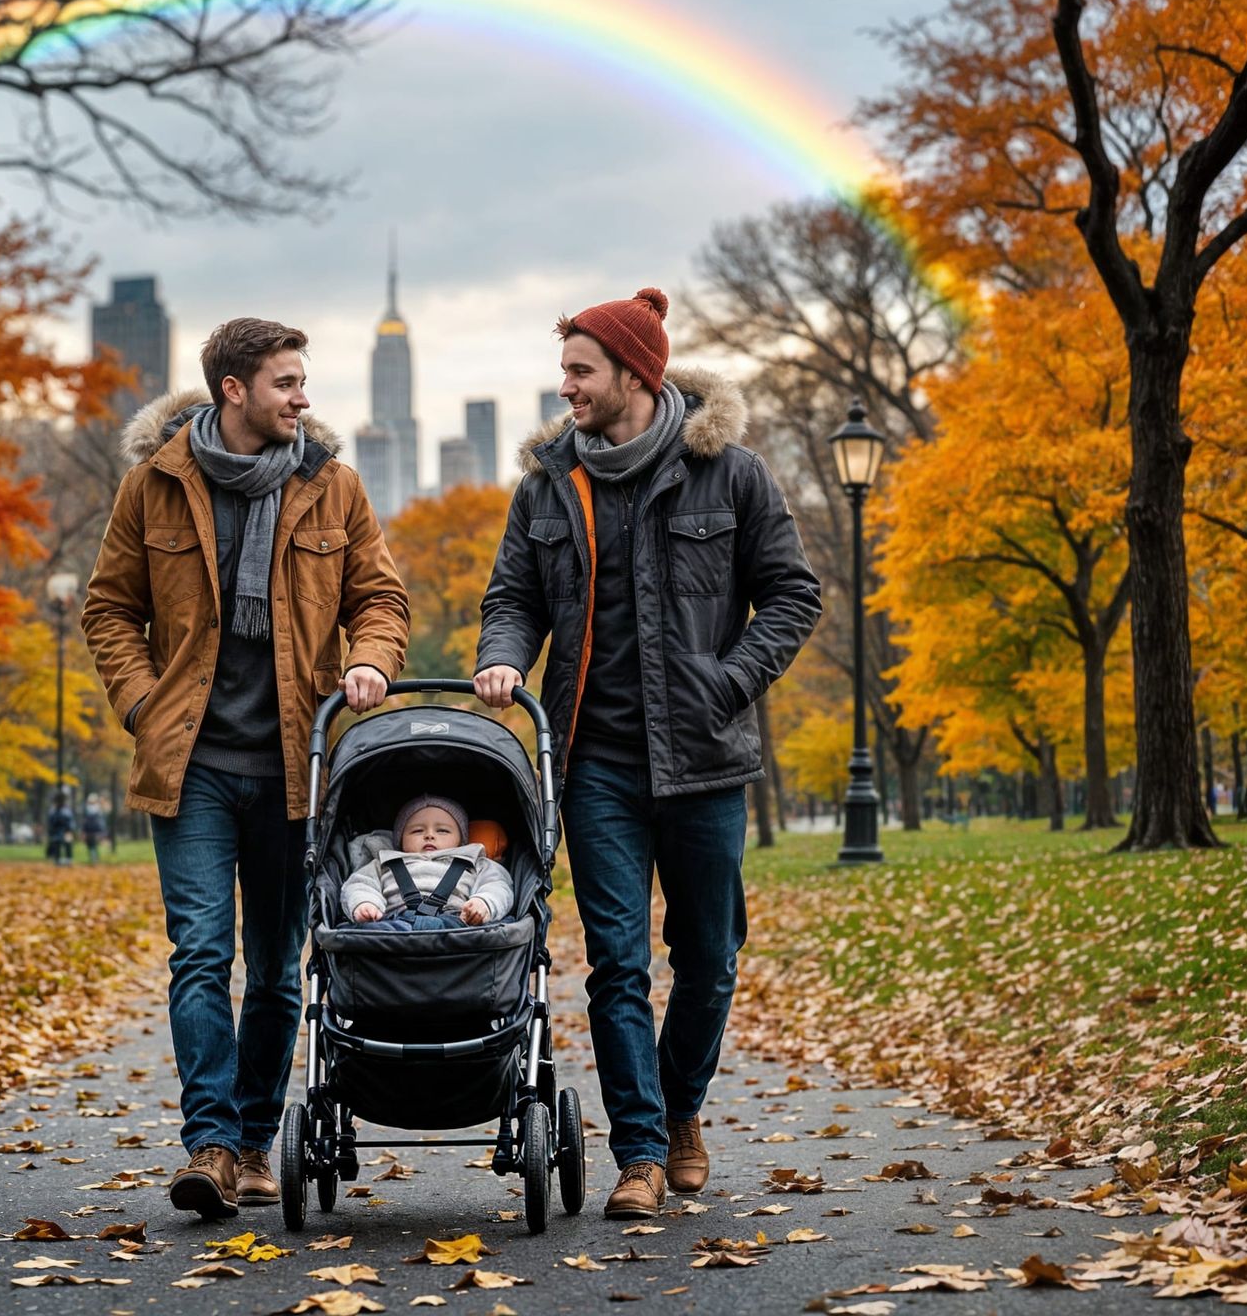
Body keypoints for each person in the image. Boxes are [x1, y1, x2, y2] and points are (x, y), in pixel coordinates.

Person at [474, 288, 821, 1218]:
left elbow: (793, 595)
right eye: (564, 371)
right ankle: (639, 1154)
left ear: (635, 372)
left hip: (704, 757)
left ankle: (679, 1113)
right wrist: (504, 656)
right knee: (617, 964)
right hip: (594, 761)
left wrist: (728, 681)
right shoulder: (548, 483)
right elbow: (512, 598)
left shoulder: (732, 474)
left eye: (581, 371)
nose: (566, 387)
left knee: (709, 956)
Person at [82, 318, 410, 1222]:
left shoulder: (333, 486)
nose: (302, 397)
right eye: (285, 382)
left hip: (296, 768)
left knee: (272, 969)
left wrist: (370, 659)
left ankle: (258, 1141)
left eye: (302, 381)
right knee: (199, 954)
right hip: (190, 765)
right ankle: (212, 1146)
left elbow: (381, 598)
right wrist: (144, 705)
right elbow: (109, 610)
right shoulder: (153, 486)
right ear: (234, 390)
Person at [341, 794, 514, 931]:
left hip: (458, 924)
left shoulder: (474, 861)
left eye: (442, 830)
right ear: (400, 840)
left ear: (460, 840)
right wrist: (365, 903)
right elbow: (359, 884)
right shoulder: (383, 862)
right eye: (417, 831)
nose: (429, 835)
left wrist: (484, 903)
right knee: (366, 931)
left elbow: (497, 885)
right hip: (394, 924)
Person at [46, 792, 74, 865]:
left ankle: (68, 860)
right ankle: (57, 859)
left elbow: (70, 821)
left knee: (67, 845)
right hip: (57, 831)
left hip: (66, 830)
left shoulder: (66, 809)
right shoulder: (53, 810)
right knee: (57, 845)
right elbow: (51, 821)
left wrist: (69, 830)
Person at [81, 796, 107, 865]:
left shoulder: (98, 811)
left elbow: (101, 823)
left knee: (93, 845)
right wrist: (84, 831)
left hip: (95, 831)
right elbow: (85, 822)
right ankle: (94, 859)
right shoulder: (88, 811)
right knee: (91, 846)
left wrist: (102, 832)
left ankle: (94, 860)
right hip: (89, 831)